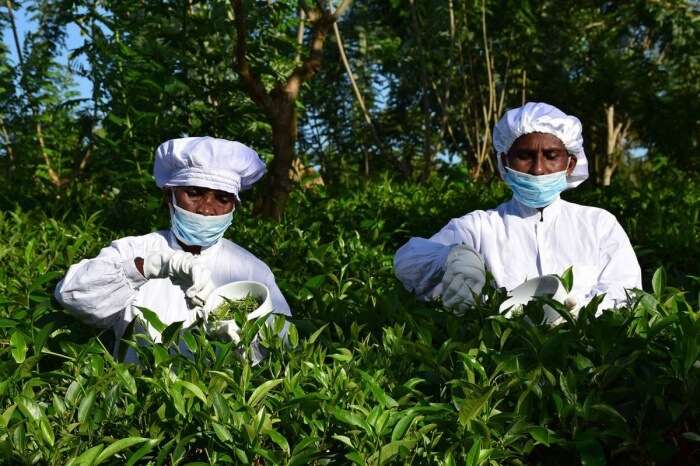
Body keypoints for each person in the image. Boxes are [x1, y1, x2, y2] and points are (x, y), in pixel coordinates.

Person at [394, 102, 642, 313]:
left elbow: (625, 291)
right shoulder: (480, 228)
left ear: (570, 164)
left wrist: (582, 313)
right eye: (524, 156)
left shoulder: (598, 225)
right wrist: (450, 258)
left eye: (551, 155)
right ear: (504, 161)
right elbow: (408, 260)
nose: (538, 169)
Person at [55, 136, 291, 359]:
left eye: (222, 198)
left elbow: (284, 342)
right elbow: (73, 297)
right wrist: (146, 266)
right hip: (134, 396)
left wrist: (246, 336)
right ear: (169, 196)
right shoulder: (134, 249)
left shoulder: (252, 270)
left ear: (234, 207)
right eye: (194, 193)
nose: (206, 209)